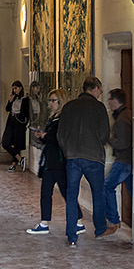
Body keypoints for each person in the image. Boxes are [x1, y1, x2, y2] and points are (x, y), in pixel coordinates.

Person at [57, 76, 112, 245]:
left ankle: (72, 236)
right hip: (93, 157)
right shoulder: (99, 107)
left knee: (72, 196)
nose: (100, 93)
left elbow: (61, 134)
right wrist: (97, 144)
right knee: (98, 194)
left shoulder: (69, 107)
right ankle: (100, 229)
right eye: (100, 90)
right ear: (94, 88)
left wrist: (68, 151)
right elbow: (104, 134)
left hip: (73, 157)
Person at [25, 89, 82, 236]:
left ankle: (77, 221)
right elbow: (51, 137)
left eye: (53, 100)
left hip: (58, 161)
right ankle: (47, 222)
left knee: (64, 192)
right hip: (51, 160)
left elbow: (59, 139)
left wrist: (45, 135)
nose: (50, 103)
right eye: (49, 100)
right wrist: (42, 135)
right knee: (48, 192)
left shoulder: (63, 118)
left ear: (60, 101)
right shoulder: (54, 117)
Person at [103, 88, 132, 228]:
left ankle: (113, 220)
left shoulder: (122, 119)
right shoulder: (125, 116)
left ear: (116, 101)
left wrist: (109, 139)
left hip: (123, 161)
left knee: (107, 186)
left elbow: (122, 143)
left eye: (110, 99)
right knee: (133, 192)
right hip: (128, 161)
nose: (108, 103)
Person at [1, 80, 29, 169]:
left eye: (16, 88)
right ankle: (20, 159)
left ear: (20, 88)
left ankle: (14, 164)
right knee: (5, 142)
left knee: (17, 144)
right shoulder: (14, 98)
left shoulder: (25, 99)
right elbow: (7, 109)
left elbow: (26, 113)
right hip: (11, 121)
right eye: (13, 88)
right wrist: (10, 101)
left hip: (19, 122)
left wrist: (25, 122)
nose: (14, 90)